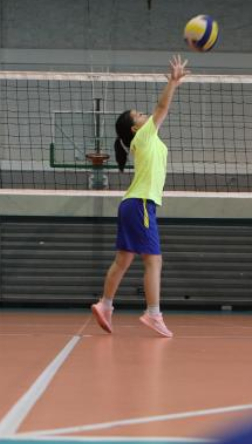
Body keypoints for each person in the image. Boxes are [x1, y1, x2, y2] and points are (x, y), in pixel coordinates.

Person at [90, 55, 190, 339]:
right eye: (140, 115)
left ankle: (105, 305)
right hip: (141, 204)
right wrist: (173, 81)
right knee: (153, 261)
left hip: (132, 204)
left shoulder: (148, 139)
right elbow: (161, 107)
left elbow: (157, 112)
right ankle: (153, 313)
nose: (146, 115)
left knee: (123, 260)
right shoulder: (144, 136)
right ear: (136, 127)